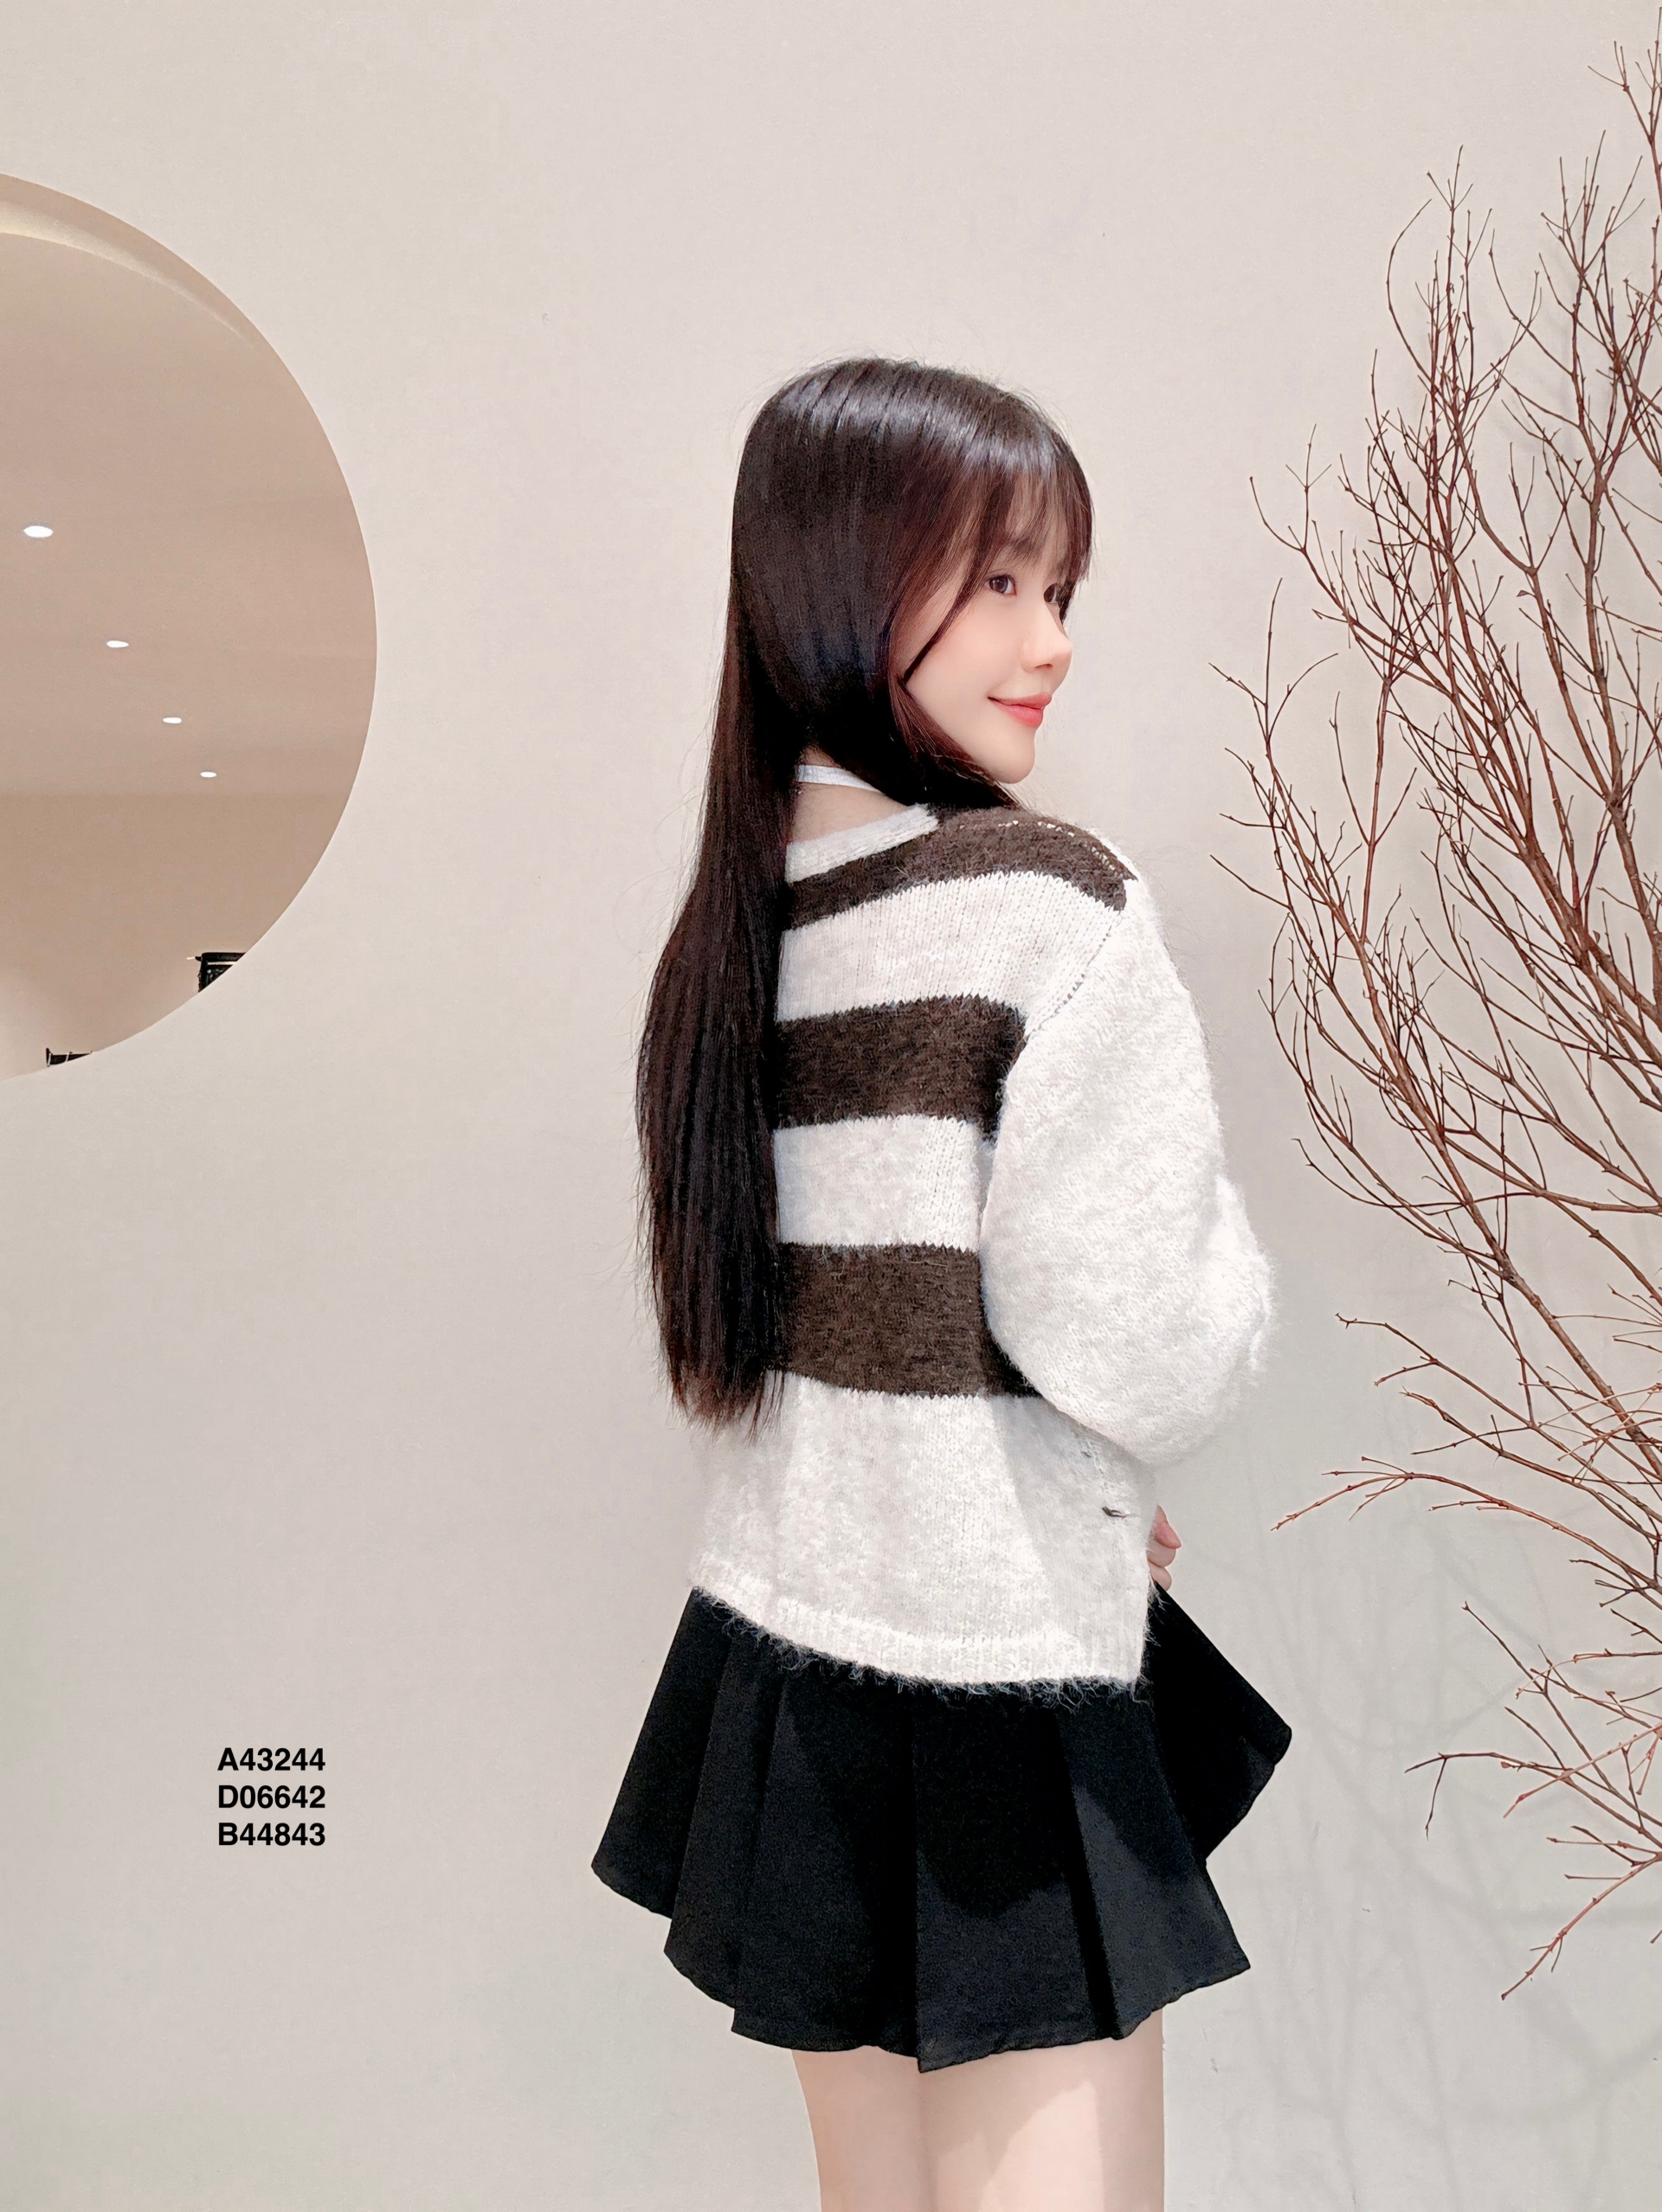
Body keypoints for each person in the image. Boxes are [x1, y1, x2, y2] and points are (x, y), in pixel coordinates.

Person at [592, 357, 1292, 2212]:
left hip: (792, 1669)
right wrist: (1127, 1421)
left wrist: (1065, 1468)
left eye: (1059, 586)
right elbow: (1147, 1341)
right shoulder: (1042, 904)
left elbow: (826, 1340)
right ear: (835, 577)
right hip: (999, 1695)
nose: (1049, 640)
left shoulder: (729, 945)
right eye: (996, 579)